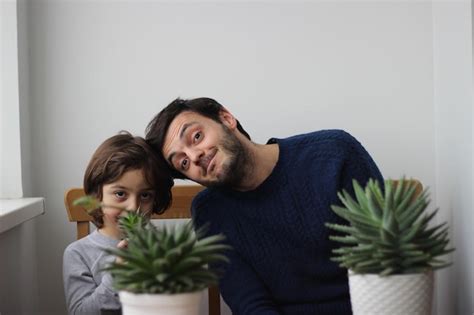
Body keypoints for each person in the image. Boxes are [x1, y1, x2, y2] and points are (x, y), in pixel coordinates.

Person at [145, 97, 384, 315]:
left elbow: (386, 263)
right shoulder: (210, 213)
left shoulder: (333, 153)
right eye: (183, 162)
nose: (194, 156)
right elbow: (251, 305)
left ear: (226, 118)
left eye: (196, 136)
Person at [63, 132, 173, 315]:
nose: (133, 207)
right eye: (120, 194)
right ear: (97, 196)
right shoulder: (78, 254)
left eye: (145, 195)